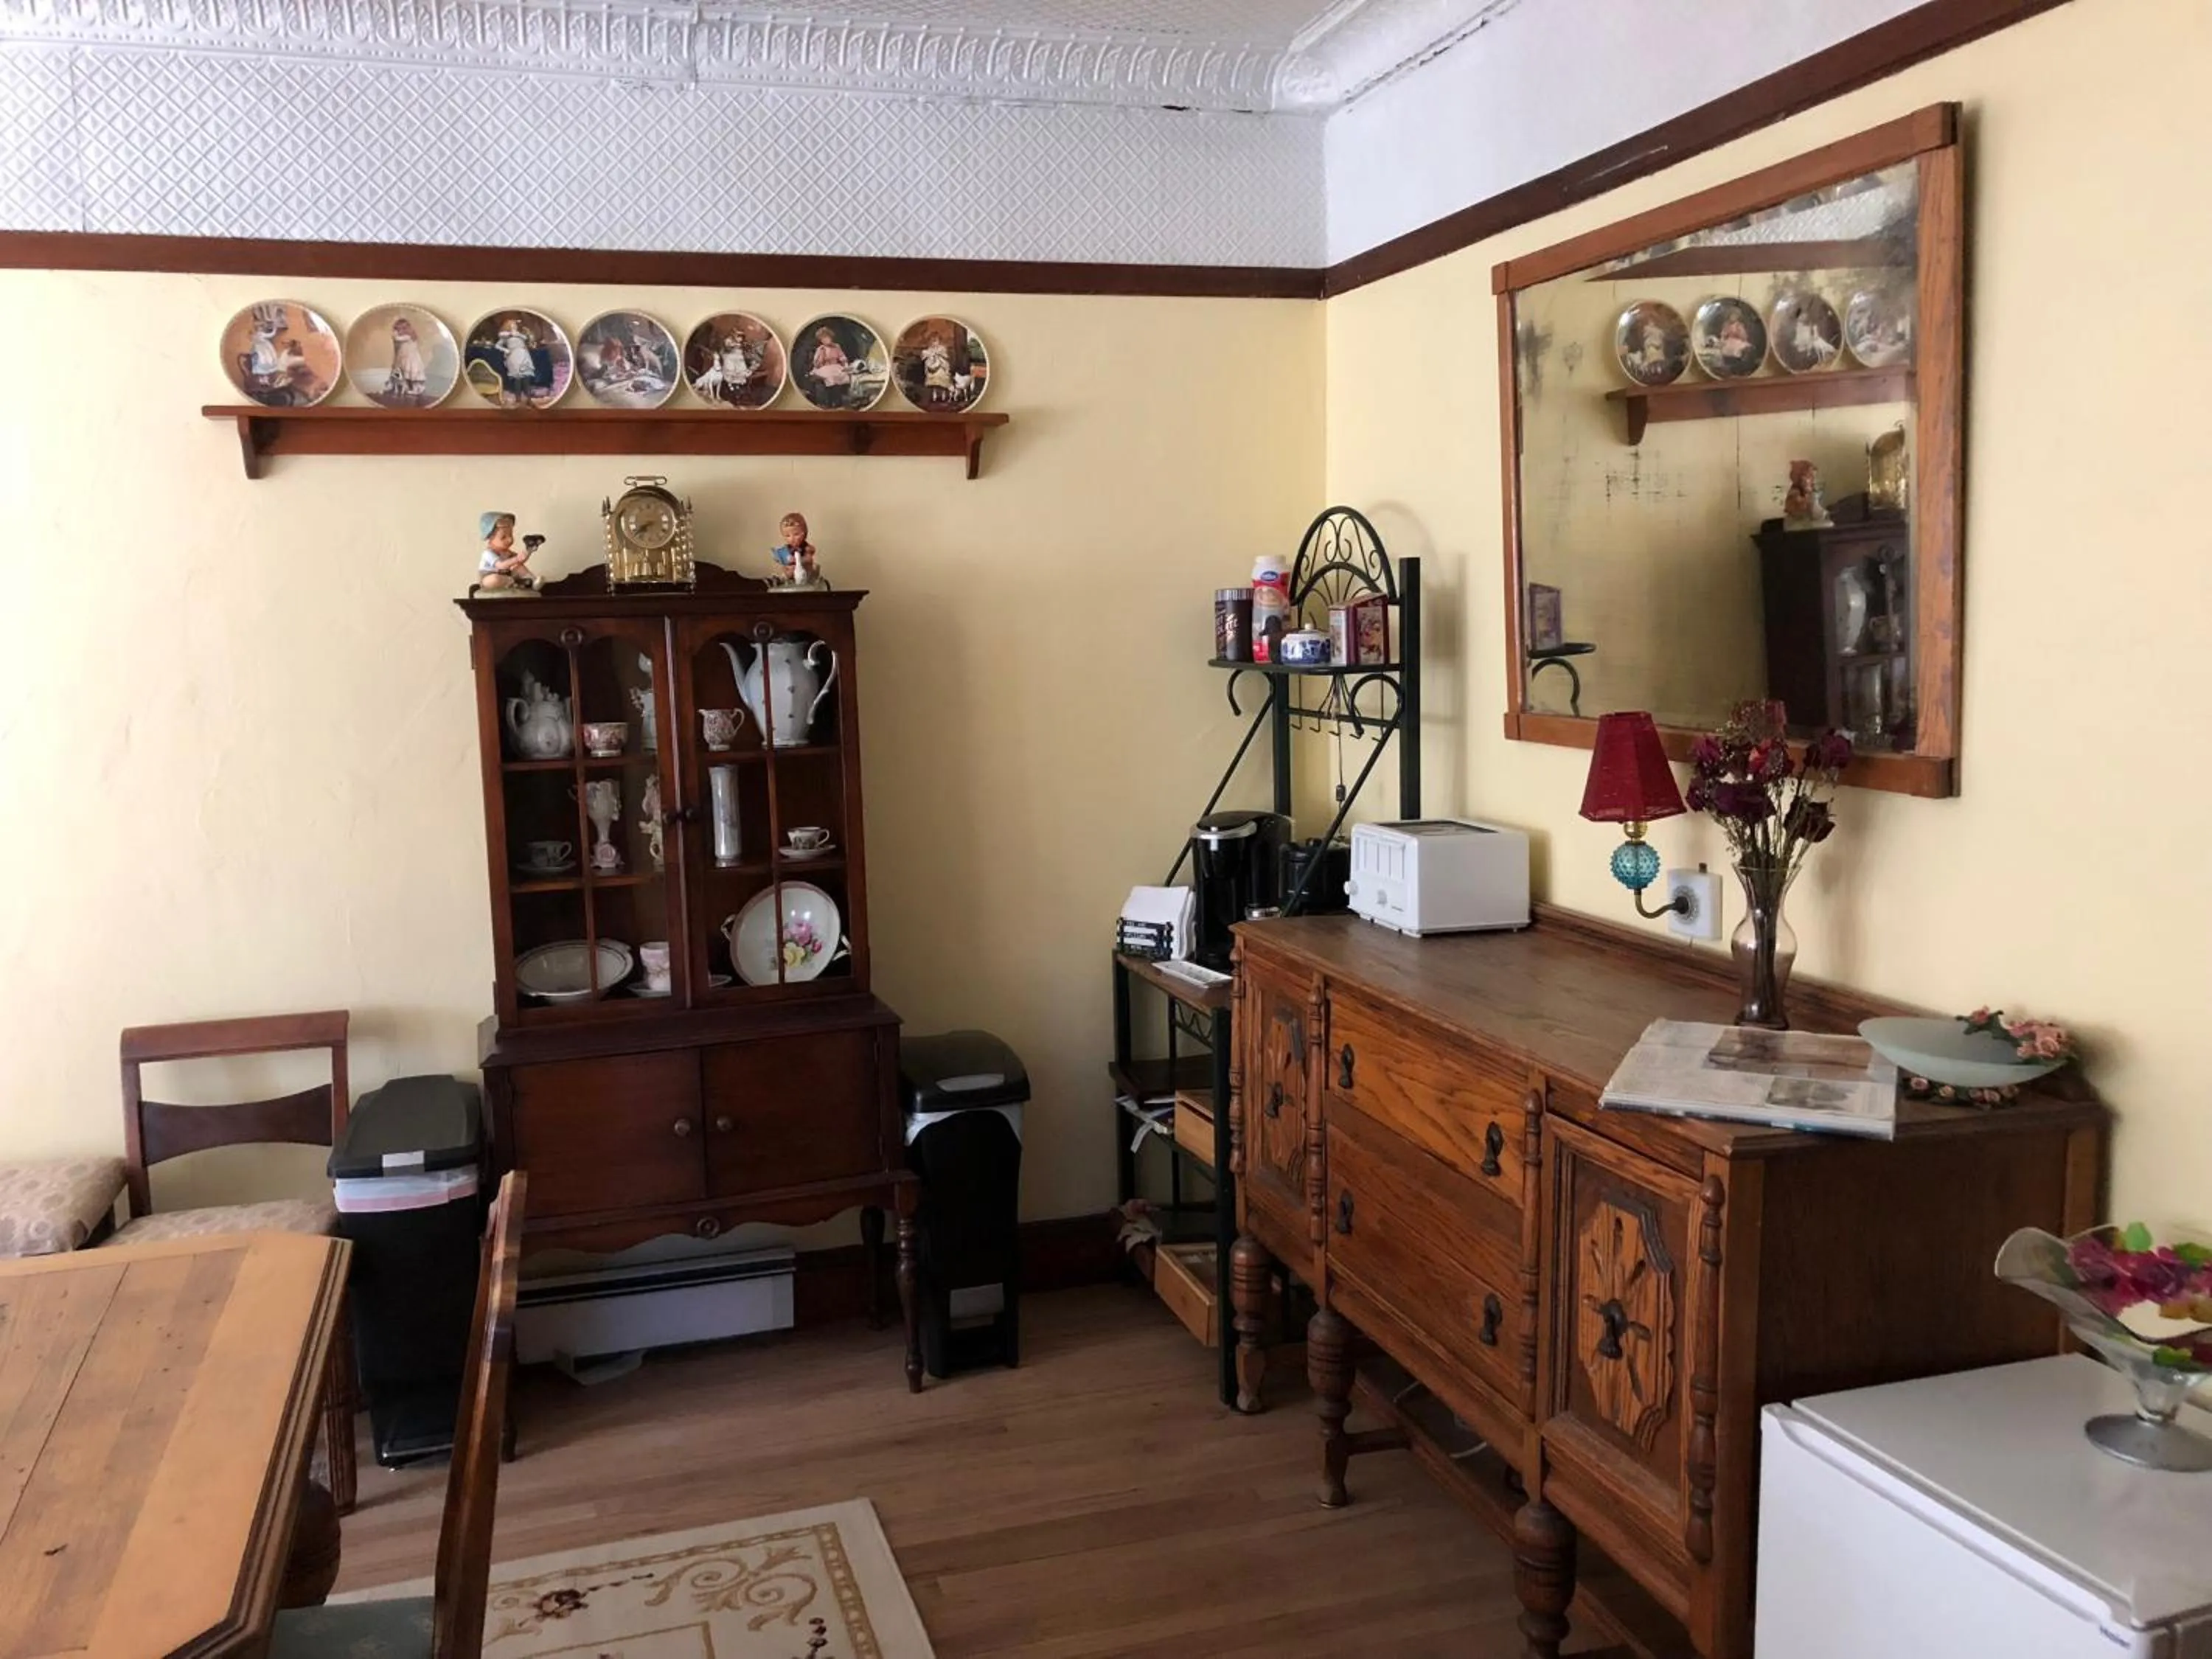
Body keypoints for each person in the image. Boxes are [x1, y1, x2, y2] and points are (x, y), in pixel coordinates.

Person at [476, 512, 539, 592]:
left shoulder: (507, 552)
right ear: (491, 537)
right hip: (489, 577)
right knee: (494, 579)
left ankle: (533, 581)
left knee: (519, 567)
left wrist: (529, 551)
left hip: (506, 575)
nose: (510, 540)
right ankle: (516, 583)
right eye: (503, 537)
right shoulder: (488, 553)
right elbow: (501, 566)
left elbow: (520, 561)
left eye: (511, 535)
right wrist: (516, 559)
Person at [769, 512, 823, 588]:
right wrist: (781, 559)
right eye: (787, 536)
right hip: (793, 572)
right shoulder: (787, 548)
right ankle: (781, 580)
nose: (792, 538)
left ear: (804, 533)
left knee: (810, 567)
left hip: (805, 572)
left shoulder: (806, 548)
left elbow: (809, 559)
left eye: (796, 534)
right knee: (787, 570)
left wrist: (798, 560)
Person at [387, 315, 426, 403]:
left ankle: (417, 388)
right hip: (404, 358)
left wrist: (394, 333)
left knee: (413, 374)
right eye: (398, 329)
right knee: (402, 371)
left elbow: (397, 339)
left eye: (400, 329)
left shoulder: (408, 337)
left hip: (410, 359)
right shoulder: (406, 337)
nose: (399, 331)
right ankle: (402, 385)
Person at [807, 327, 852, 400]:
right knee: (828, 378)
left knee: (840, 376)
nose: (825, 340)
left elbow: (842, 357)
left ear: (831, 337)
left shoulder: (836, 346)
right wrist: (821, 357)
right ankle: (829, 399)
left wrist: (846, 365)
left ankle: (837, 399)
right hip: (824, 368)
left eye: (827, 337)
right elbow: (816, 364)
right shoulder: (820, 349)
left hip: (836, 367)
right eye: (822, 339)